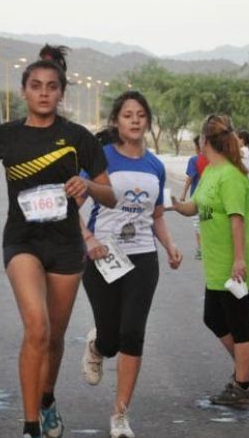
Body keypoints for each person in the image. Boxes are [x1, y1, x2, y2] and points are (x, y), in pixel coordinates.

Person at [0, 45, 116, 438]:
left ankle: (48, 398)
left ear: (61, 93)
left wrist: (86, 183)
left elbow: (109, 194)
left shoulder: (77, 137)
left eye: (52, 87)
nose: (43, 93)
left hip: (66, 246)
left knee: (53, 337)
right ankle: (30, 425)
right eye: (35, 86)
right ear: (24, 92)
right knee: (36, 328)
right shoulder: (5, 135)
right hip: (22, 242)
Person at [80, 91, 182, 438]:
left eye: (141, 114)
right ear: (116, 122)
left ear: (147, 121)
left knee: (133, 334)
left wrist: (169, 246)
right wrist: (88, 240)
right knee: (111, 339)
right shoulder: (100, 158)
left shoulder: (155, 166)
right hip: (102, 258)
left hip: (142, 257)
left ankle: (120, 415)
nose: (135, 120)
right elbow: (70, 206)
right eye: (128, 115)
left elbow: (156, 216)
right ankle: (97, 346)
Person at [171, 114, 249, 405]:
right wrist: (172, 204)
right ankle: (245, 369)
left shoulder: (232, 177)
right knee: (212, 317)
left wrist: (239, 260)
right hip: (215, 261)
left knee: (238, 323)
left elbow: (237, 219)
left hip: (233, 262)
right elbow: (194, 207)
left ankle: (243, 386)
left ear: (205, 141)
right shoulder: (210, 170)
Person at [180, 135, 208, 260]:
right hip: (209, 198)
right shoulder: (213, 160)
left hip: (196, 198)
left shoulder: (194, 160)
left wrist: (183, 194)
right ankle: (207, 248)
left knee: (198, 224)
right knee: (207, 222)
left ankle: (200, 248)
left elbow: (190, 179)